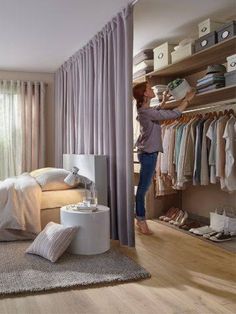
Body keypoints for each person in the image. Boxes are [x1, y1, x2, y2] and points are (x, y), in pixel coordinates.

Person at [133, 82, 195, 235]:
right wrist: (187, 99)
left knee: (142, 188)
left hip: (146, 153)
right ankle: (141, 219)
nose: (152, 90)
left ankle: (138, 218)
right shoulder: (146, 112)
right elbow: (172, 114)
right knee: (142, 189)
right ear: (145, 95)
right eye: (149, 89)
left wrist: (164, 101)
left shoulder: (144, 110)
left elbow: (155, 111)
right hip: (148, 154)